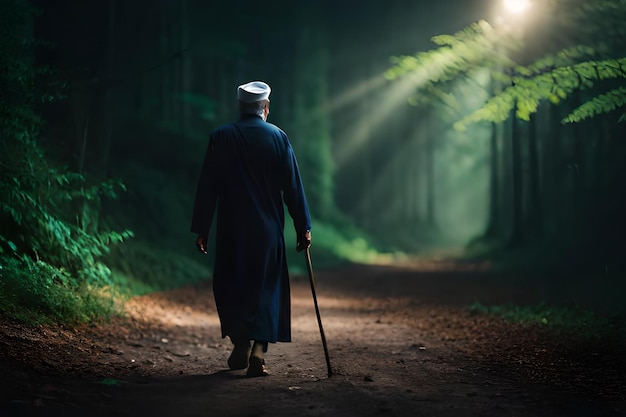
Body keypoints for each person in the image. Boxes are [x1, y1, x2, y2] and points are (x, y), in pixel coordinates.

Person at [191, 81, 311, 377]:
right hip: (268, 232)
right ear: (265, 108)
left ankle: (240, 341)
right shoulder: (279, 138)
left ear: (240, 107)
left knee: (232, 286)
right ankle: (258, 350)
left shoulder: (220, 137)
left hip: (232, 232)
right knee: (267, 289)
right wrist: (302, 226)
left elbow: (208, 186)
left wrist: (202, 227)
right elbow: (293, 187)